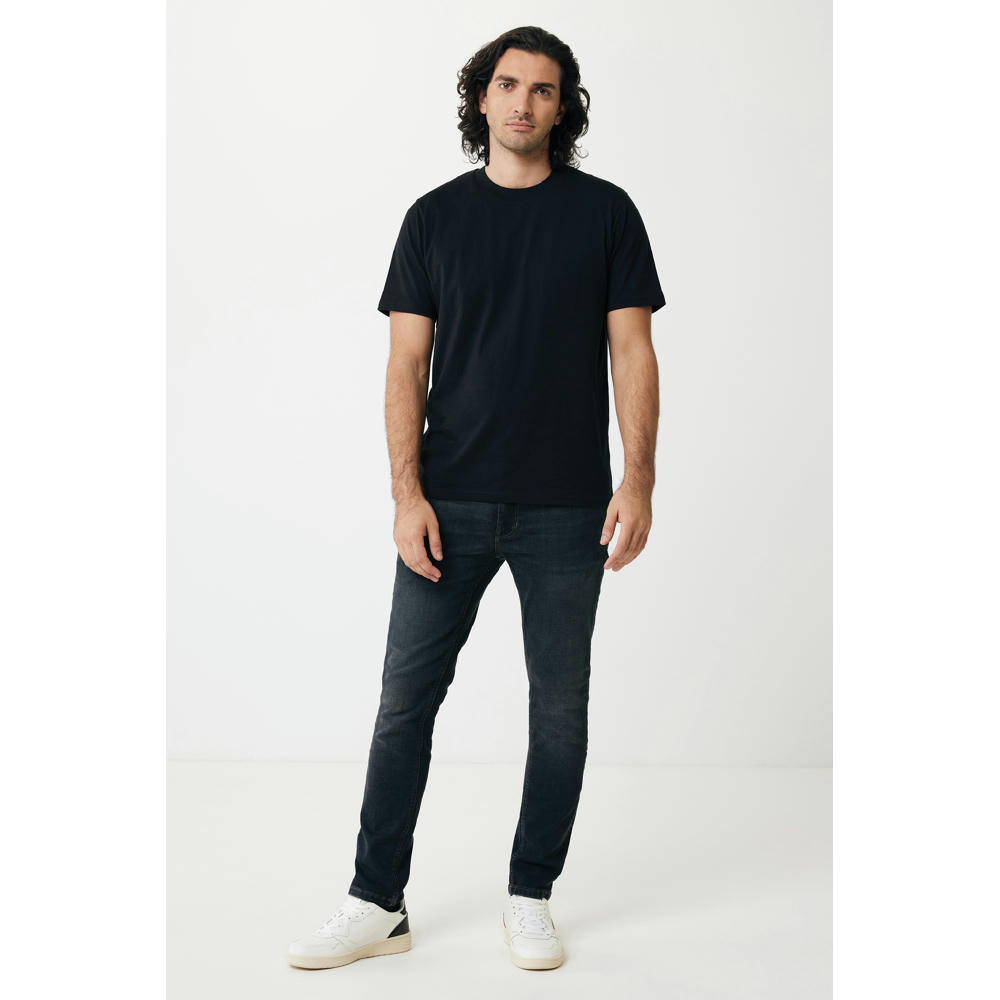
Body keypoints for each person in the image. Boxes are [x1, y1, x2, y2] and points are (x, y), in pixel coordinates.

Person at [288, 24, 665, 973]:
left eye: (543, 89)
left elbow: (632, 352)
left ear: (564, 108)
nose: (523, 103)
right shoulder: (434, 218)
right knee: (404, 704)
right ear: (481, 96)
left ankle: (530, 896)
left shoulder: (607, 214)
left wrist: (639, 479)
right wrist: (405, 495)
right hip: (447, 502)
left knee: (560, 712)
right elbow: (404, 365)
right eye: (508, 84)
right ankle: (377, 902)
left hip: (568, 509)